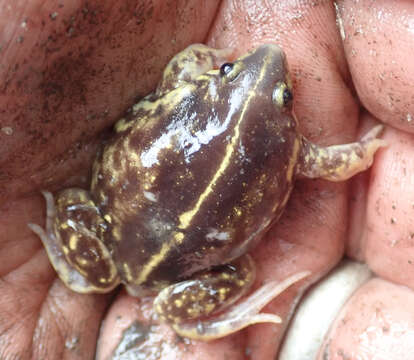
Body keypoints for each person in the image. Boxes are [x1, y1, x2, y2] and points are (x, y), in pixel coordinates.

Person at [1, 1, 413, 359]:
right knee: (241, 275)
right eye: (231, 71)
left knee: (74, 200)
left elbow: (185, 62)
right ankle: (188, 319)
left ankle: (84, 264)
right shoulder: (295, 150)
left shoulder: (275, 140)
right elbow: (342, 163)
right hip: (165, 266)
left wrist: (217, 62)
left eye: (282, 96)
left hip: (118, 240)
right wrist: (369, 150)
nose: (270, 59)